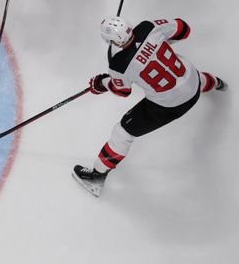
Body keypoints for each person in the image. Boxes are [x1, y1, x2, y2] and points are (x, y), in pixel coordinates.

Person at [73, 16, 227, 196]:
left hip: (170, 106)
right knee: (191, 78)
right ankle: (218, 84)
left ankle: (96, 177)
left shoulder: (119, 64)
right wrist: (158, 45)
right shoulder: (148, 28)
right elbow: (184, 29)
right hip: (193, 83)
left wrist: (100, 84)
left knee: (122, 133)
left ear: (111, 41)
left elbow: (122, 91)